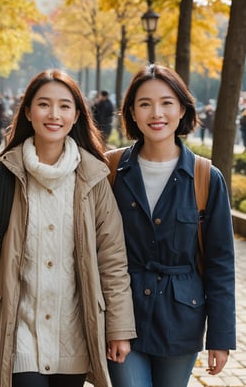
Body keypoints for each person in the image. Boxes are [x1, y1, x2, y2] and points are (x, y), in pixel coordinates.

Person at [0, 69, 136, 387]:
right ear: (27, 111)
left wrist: (119, 328)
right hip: (16, 334)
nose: (54, 114)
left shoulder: (94, 180)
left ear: (77, 115)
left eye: (65, 106)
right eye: (44, 104)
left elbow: (113, 261)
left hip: (74, 337)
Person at [105, 64, 236, 387]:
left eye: (166, 102)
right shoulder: (109, 170)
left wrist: (220, 337)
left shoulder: (206, 177)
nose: (156, 113)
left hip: (182, 319)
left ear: (182, 109)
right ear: (132, 113)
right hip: (123, 316)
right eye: (145, 103)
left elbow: (220, 264)